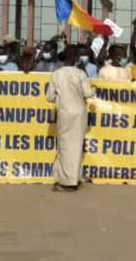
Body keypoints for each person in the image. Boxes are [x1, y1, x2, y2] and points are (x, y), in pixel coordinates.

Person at [45, 47, 97, 192]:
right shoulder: (80, 73)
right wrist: (94, 89)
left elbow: (49, 97)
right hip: (79, 112)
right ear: (75, 58)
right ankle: (75, 178)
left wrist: (61, 98)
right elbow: (87, 93)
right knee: (76, 145)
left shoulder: (56, 74)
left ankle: (65, 180)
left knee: (64, 146)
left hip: (64, 112)